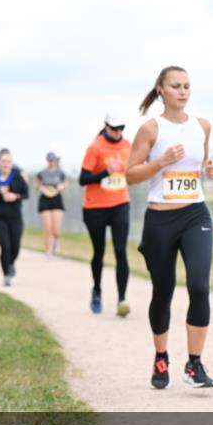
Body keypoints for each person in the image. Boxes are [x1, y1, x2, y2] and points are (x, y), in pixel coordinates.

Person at [126, 67, 213, 390]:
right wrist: (161, 161)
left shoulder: (202, 126)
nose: (183, 92)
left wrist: (209, 169)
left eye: (187, 86)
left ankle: (194, 364)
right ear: (161, 90)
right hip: (160, 219)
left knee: (199, 286)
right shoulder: (150, 129)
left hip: (195, 214)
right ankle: (161, 356)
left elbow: (200, 166)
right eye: (176, 86)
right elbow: (131, 175)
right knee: (163, 291)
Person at [80, 113, 133, 316]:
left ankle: (122, 299)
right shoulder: (95, 147)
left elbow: (133, 169)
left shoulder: (127, 145)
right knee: (99, 252)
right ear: (105, 126)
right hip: (95, 208)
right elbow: (83, 179)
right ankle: (97, 290)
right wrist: (105, 172)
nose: (118, 132)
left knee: (120, 250)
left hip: (120, 203)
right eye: (113, 128)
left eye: (121, 128)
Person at [0, 150, 30, 287]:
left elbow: (26, 194)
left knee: (15, 247)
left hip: (15, 217)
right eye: (3, 161)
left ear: (12, 164)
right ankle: (6, 275)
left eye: (8, 161)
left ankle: (10, 263)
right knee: (5, 246)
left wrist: (15, 196)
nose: (5, 164)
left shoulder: (17, 177)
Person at [35, 152, 68, 259]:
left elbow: (66, 183)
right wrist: (41, 188)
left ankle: (56, 241)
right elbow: (36, 184)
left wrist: (61, 186)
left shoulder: (60, 172)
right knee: (47, 227)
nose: (51, 162)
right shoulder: (42, 173)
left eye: (53, 160)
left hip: (56, 199)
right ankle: (48, 251)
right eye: (50, 160)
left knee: (56, 229)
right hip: (45, 199)